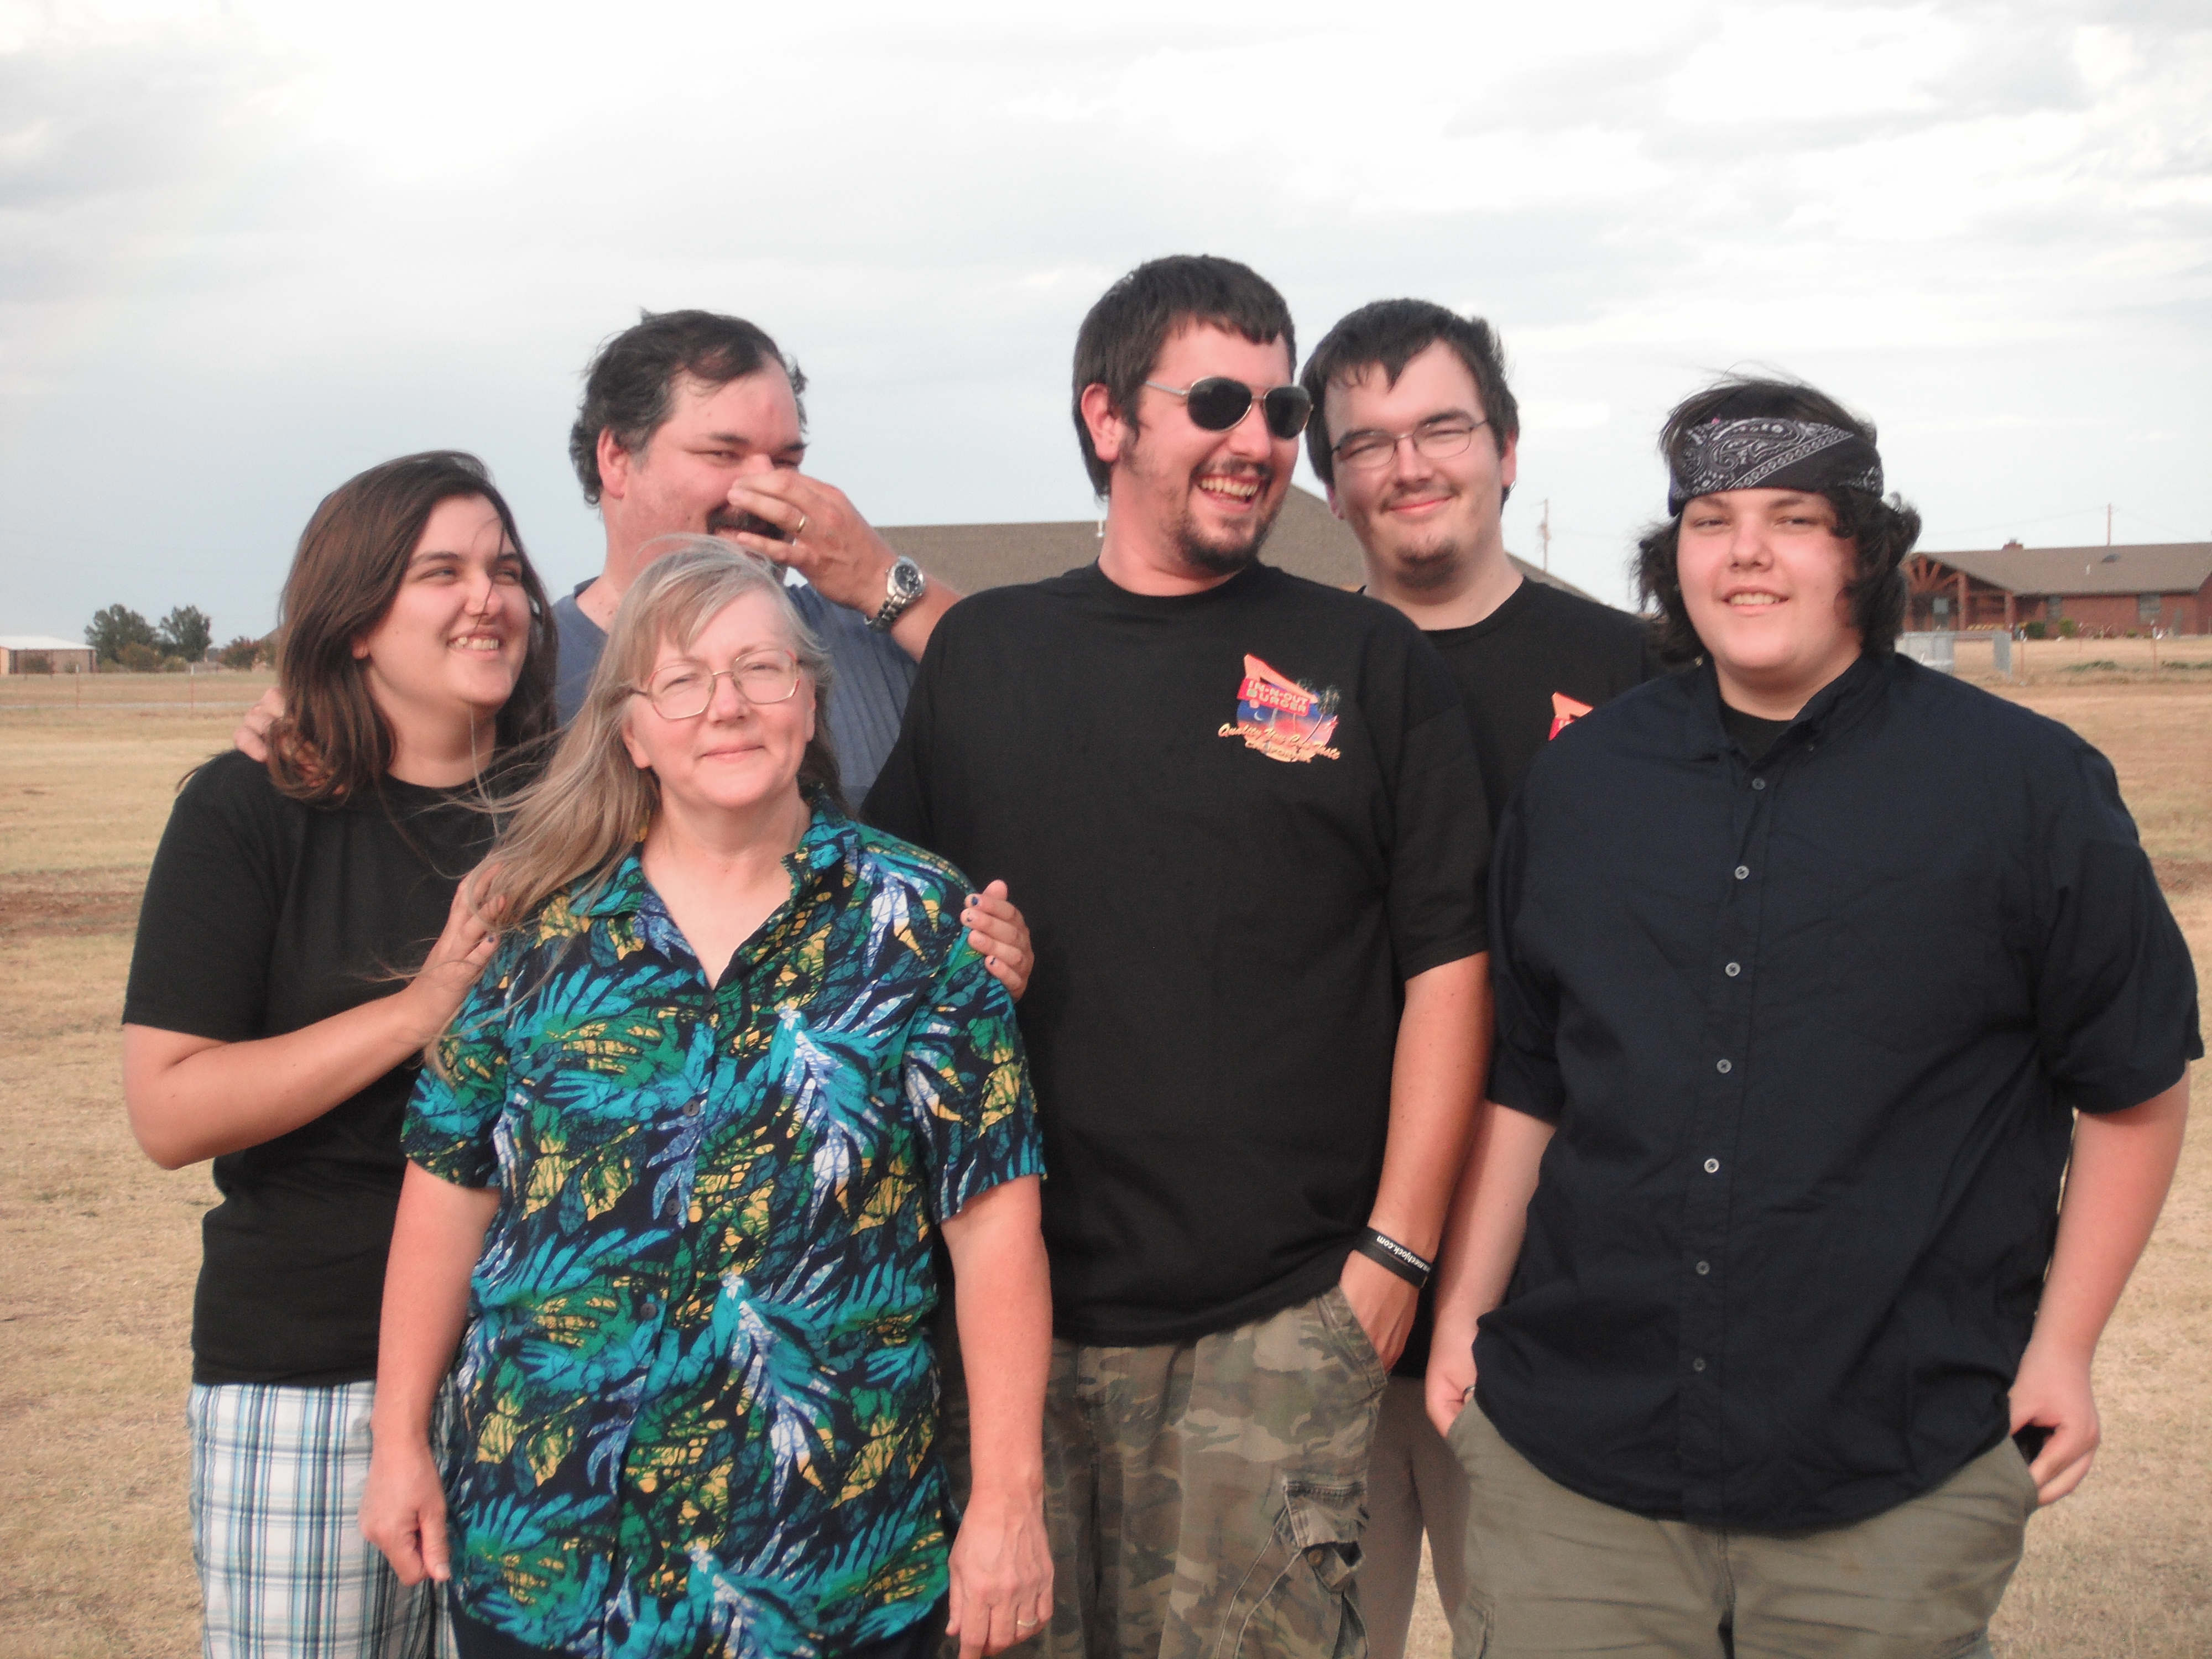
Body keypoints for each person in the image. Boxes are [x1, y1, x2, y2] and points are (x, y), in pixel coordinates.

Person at [1426, 375, 2199, 1658]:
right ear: (1673, 555)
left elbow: (2132, 1087)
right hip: (1577, 1464)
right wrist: (1464, 1308)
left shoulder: (2025, 790)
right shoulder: (1580, 783)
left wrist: (2062, 1350)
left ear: (1862, 551)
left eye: (1791, 518)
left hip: (1888, 1470)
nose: (1746, 553)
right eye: (1711, 520)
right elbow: (1532, 1075)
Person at [866, 255, 1491, 1657]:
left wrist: (1391, 1261)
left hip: (1274, 1329)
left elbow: (1450, 970)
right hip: (1010, 1322)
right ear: (1105, 416)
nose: (1256, 439)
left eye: (1280, 409)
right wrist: (961, 963)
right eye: (1216, 401)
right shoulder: (986, 656)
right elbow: (876, 940)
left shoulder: (1368, 659)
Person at [360, 544, 1053, 1659]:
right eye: (681, 680)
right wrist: (398, 1437)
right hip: (549, 1561)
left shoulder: (923, 926)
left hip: (830, 1570)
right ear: (632, 731)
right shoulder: (531, 932)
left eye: (760, 669)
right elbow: (448, 1193)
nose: (725, 706)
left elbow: (995, 1229)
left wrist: (1008, 1502)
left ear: (810, 701)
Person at [122, 451, 558, 1658]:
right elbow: (169, 1110)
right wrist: (417, 1013)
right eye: (442, 573)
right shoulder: (247, 810)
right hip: (310, 1372)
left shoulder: (582, 808)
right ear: (356, 619)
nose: (488, 598)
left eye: (505, 570)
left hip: (548, 1375)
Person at [1296, 299, 1657, 1659]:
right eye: (1366, 443)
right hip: (1326, 1289)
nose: (1408, 466)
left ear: (1506, 448)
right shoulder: (1284, 675)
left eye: (1441, 428)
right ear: (1331, 485)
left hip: (1563, 1301)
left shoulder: (1638, 674)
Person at [555, 309, 959, 800]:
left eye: (787, 461)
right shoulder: (528, 670)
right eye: (723, 454)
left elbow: (1027, 692)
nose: (768, 487)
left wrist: (881, 581)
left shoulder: (866, 637)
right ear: (617, 459)